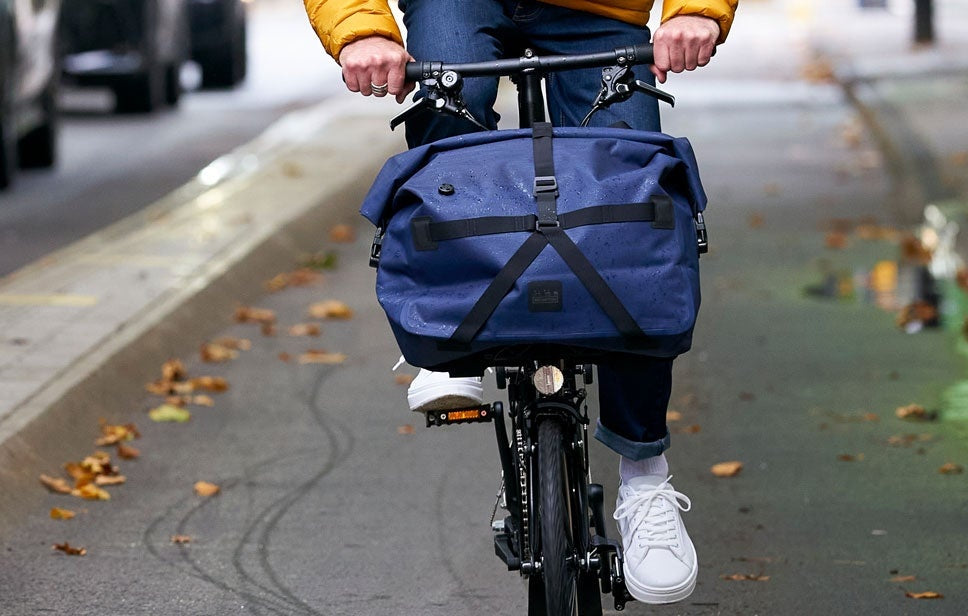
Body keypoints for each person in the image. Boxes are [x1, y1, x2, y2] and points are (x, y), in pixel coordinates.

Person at [304, 0, 736, 604]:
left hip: (601, 8)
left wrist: (699, 12)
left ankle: (645, 481)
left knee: (635, 210)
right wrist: (360, 30)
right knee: (447, 125)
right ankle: (446, 344)